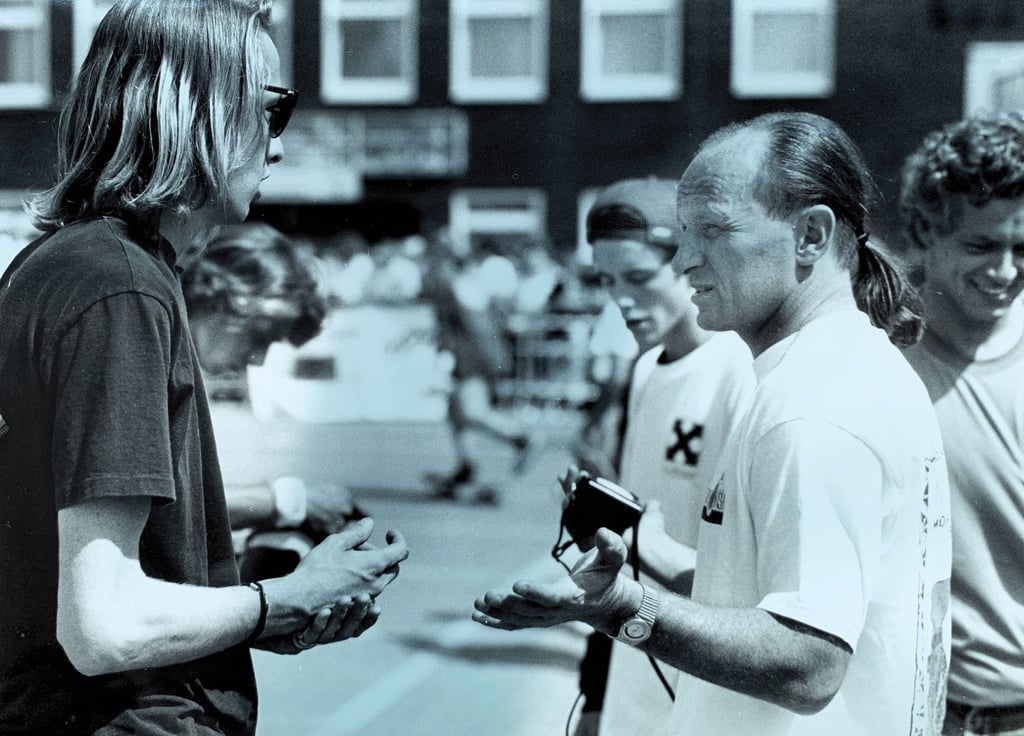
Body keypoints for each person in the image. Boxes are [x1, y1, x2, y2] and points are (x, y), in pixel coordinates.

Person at [474, 111, 952, 736]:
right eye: (682, 233)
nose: (684, 259)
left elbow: (809, 664)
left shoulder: (813, 404)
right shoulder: (841, 370)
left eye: (713, 230)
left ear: (811, 235)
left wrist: (621, 607)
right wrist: (633, 570)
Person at [0, 2, 408, 734]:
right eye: (273, 110)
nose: (278, 146)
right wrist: (286, 599)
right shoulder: (121, 287)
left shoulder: (69, 266)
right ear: (197, 107)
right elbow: (104, 626)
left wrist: (258, 605)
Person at [569, 178, 755, 736]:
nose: (621, 300)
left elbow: (743, 581)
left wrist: (642, 544)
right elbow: (625, 559)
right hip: (634, 677)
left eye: (639, 278)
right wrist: (595, 691)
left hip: (705, 689)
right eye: (607, 281)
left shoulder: (740, 372)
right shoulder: (645, 370)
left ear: (691, 263)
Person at [898, 111, 1024, 736]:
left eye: (1023, 249)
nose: (1005, 271)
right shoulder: (879, 361)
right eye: (981, 246)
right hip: (916, 715)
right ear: (927, 231)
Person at [183, 221, 368, 582]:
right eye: (261, 335)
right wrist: (289, 501)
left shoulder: (178, 360)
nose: (259, 359)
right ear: (224, 301)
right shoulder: (155, 355)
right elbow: (162, 507)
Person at [422, 231, 532, 504]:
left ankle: (520, 437)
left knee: (471, 412)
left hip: (471, 354)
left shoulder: (455, 283)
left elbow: (471, 324)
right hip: (472, 352)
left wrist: (472, 356)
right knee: (455, 412)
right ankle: (466, 465)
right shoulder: (460, 281)